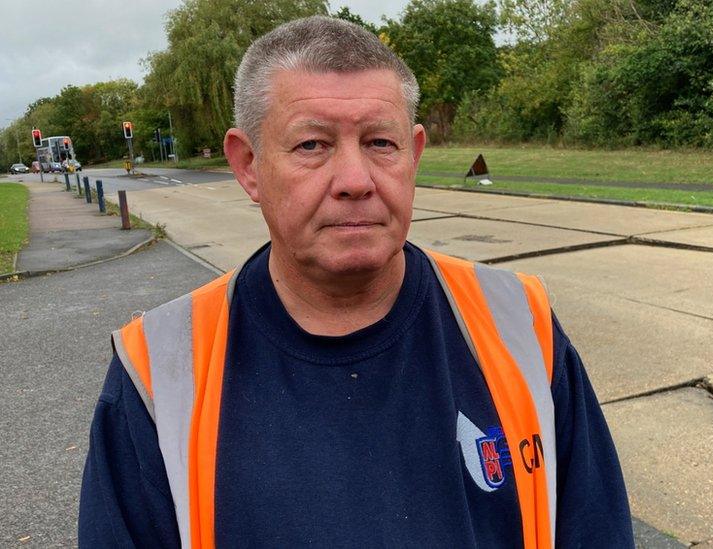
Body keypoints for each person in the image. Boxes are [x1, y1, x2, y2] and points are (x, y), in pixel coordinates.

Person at [79, 16, 633, 548]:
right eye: (312, 145)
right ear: (248, 164)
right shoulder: (159, 370)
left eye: (380, 143)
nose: (354, 180)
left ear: (412, 155)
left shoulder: (521, 323)